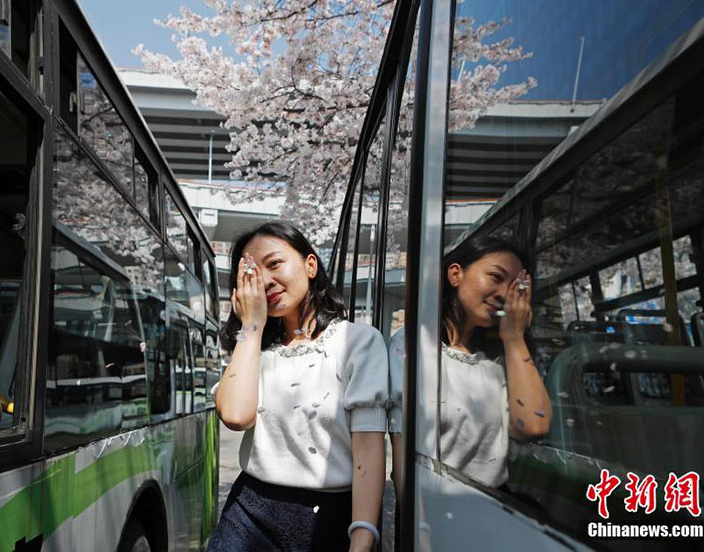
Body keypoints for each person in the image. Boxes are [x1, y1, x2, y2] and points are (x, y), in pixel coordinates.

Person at [208, 221, 388, 552]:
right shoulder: (254, 349)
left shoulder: (357, 341)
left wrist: (363, 535)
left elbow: (368, 449)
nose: (267, 281)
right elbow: (235, 415)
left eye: (274, 264)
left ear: (310, 265)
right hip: (250, 514)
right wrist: (250, 327)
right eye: (253, 274)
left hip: (331, 516)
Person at [387, 236, 551, 495]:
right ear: (455, 274)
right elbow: (403, 455)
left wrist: (514, 337)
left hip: (495, 508)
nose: (502, 295)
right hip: (434, 512)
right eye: (495, 277)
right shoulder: (414, 344)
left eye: (513, 288)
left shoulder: (500, 360)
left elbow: (533, 425)